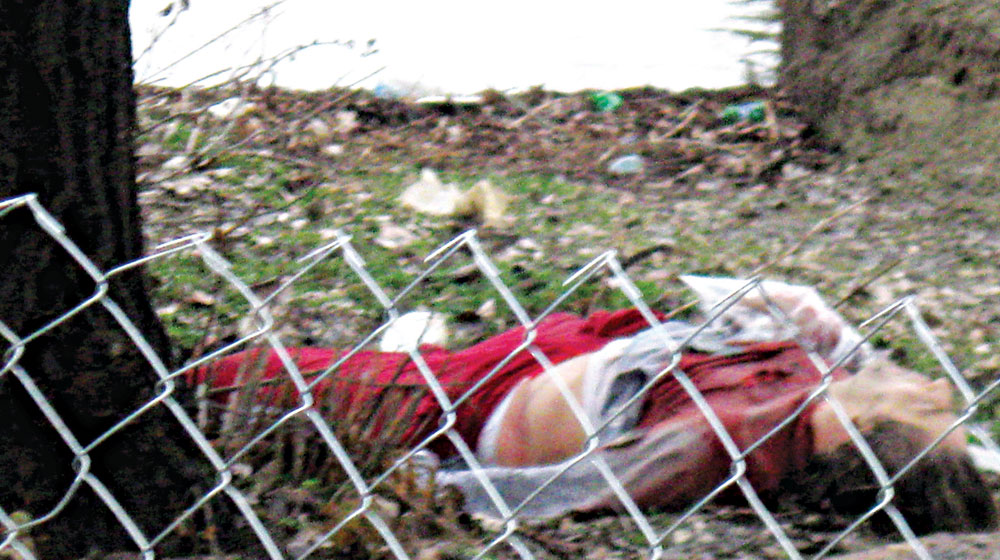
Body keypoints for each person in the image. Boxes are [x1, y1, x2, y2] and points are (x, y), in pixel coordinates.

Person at [195, 280, 997, 534]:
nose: (937, 387)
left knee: (220, 384)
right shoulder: (829, 377)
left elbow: (555, 493)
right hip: (565, 345)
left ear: (864, 429)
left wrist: (403, 489)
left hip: (453, 404)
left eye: (930, 406)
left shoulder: (714, 443)